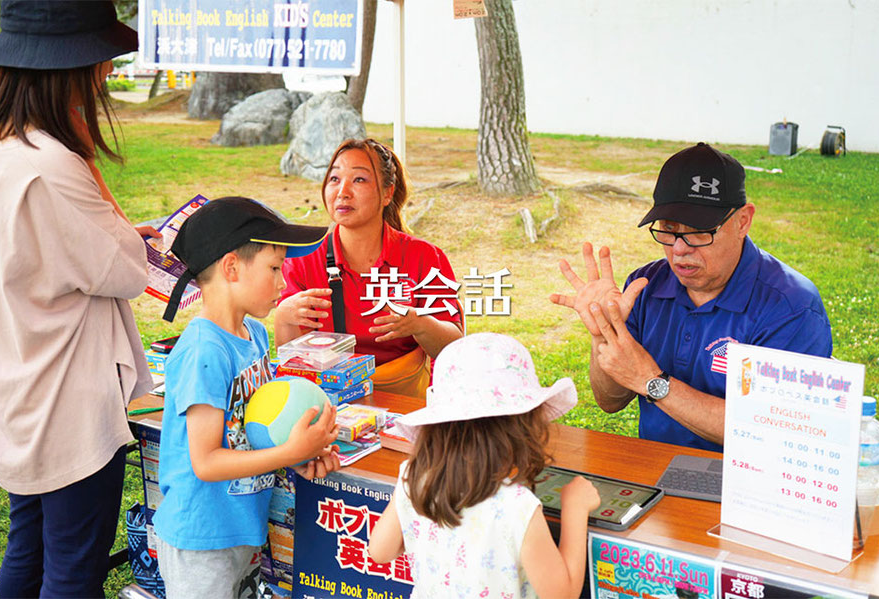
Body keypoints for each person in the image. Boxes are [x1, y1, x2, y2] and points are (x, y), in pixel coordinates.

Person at [0, 2, 158, 596]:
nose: (103, 74)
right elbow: (127, 268)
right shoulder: (51, 167)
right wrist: (88, 166)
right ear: (66, 69)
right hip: (66, 404)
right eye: (98, 61)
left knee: (29, 544)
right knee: (74, 563)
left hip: (11, 387)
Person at [551, 143, 832, 452]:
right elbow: (609, 401)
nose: (680, 249)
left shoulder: (791, 307)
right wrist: (604, 332)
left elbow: (772, 429)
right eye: (669, 230)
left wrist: (652, 381)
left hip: (748, 483)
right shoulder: (647, 286)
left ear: (743, 221)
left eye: (699, 231)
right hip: (657, 472)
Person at [152, 197, 342, 599]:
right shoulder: (204, 350)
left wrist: (299, 453)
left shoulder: (253, 335)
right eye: (274, 269)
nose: (282, 282)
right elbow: (206, 461)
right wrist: (288, 454)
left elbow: (253, 426)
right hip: (201, 539)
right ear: (232, 267)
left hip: (241, 526)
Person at [368, 333, 601, 599]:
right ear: (520, 429)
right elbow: (563, 594)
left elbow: (380, 551)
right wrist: (575, 509)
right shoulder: (516, 506)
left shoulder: (413, 475)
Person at [274, 138, 463, 399]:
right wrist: (284, 316)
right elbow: (293, 368)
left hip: (406, 402)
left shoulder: (424, 257)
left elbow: (455, 348)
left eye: (359, 180)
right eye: (334, 179)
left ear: (387, 193)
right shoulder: (304, 258)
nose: (343, 192)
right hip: (328, 402)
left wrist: (420, 324)